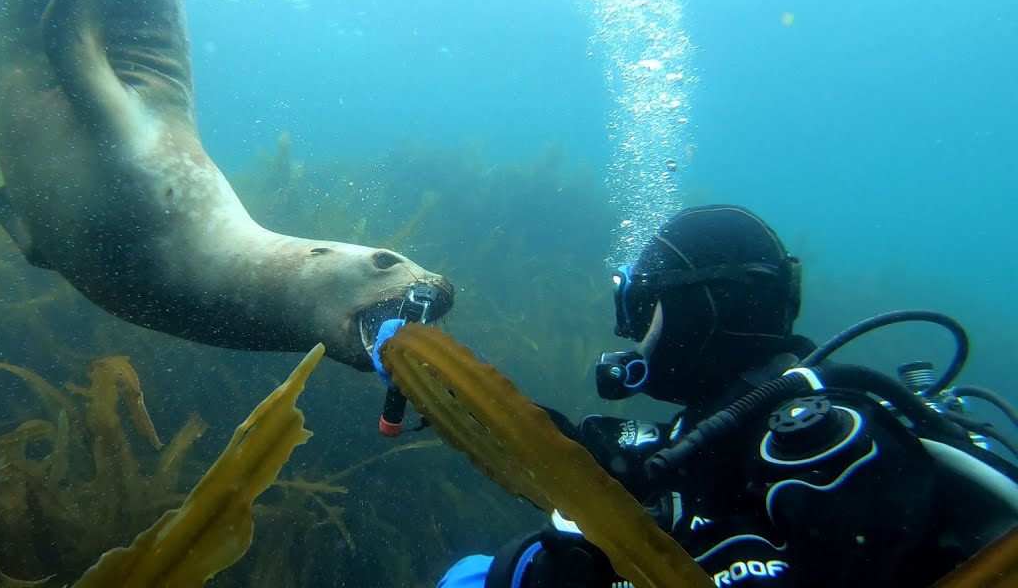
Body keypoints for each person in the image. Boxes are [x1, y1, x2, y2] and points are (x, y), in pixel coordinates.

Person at [414, 204, 1018, 588]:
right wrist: (445, 392)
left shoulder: (827, 445)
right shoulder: (729, 425)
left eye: (642, 307)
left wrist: (565, 570)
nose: (629, 333)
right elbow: (612, 459)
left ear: (701, 312)